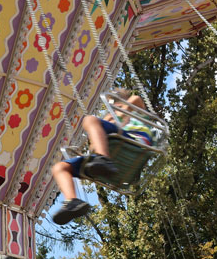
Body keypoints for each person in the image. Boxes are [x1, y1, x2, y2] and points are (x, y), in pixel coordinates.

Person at [52, 88, 154, 224]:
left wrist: (119, 115)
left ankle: (103, 159)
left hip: (134, 140)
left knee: (89, 120)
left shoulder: (134, 108)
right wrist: (108, 122)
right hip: (113, 149)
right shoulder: (110, 120)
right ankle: (72, 201)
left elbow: (136, 100)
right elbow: (93, 146)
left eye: (118, 105)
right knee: (60, 167)